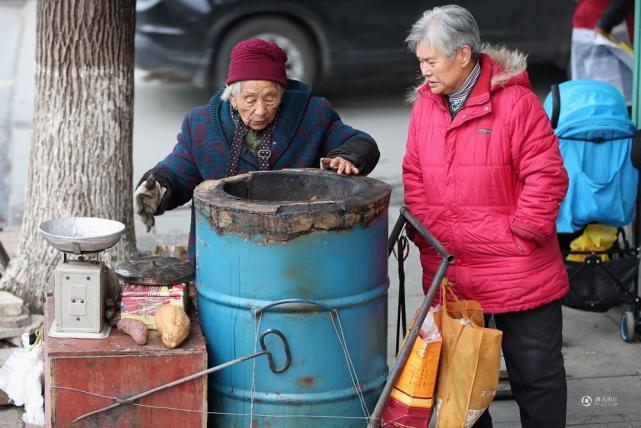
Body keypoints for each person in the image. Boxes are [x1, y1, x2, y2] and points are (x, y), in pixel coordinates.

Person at [402, 5, 569, 427]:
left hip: (517, 265)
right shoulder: (425, 106)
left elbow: (547, 175)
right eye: (420, 61)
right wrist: (430, 236)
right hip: (451, 265)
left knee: (536, 375)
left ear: (463, 54)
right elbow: (414, 175)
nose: (424, 71)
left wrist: (524, 234)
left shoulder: (516, 103)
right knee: (461, 380)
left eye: (430, 61)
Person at [134, 38, 380, 262]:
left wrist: (347, 158)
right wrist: (157, 188)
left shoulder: (312, 115)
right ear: (232, 97)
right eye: (250, 100)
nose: (261, 110)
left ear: (282, 95)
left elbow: (360, 142)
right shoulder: (201, 125)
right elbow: (179, 171)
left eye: (270, 98)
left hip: (296, 252)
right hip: (223, 251)